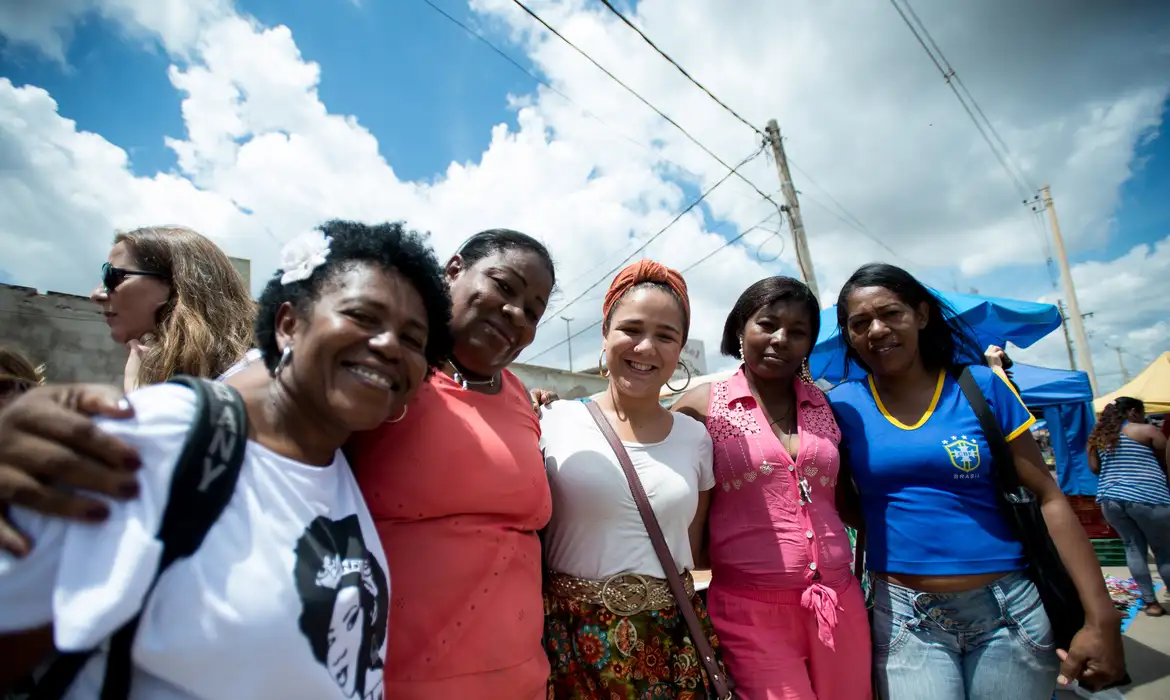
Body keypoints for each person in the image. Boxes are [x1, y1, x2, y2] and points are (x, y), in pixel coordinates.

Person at [0, 228, 558, 700]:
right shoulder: (161, 440)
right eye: (363, 316)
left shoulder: (336, 478)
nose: (389, 346)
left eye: (414, 340)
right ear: (287, 323)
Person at [829, 263, 1124, 700]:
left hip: (1010, 614)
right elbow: (843, 503)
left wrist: (1102, 619)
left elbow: (1048, 497)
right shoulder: (842, 407)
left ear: (923, 315)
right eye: (859, 323)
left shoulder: (980, 386)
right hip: (906, 621)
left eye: (891, 313)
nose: (876, 329)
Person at [672, 276, 872, 700]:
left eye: (798, 332)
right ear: (741, 327)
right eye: (767, 324)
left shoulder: (828, 406)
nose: (781, 339)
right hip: (749, 610)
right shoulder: (700, 407)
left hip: (840, 603)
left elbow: (845, 501)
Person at [540, 260, 728, 698]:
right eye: (631, 329)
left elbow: (696, 548)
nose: (646, 347)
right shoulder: (551, 420)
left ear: (681, 348)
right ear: (604, 335)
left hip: (672, 641)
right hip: (570, 643)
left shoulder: (695, 437)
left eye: (665, 336)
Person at [91, 226, 255, 392]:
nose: (96, 294)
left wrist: (140, 400)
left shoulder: (248, 379)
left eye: (112, 276)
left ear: (177, 284)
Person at [1087, 397, 1170, 617]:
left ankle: (1151, 603)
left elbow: (1095, 468)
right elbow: (1166, 465)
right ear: (1133, 411)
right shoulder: (1148, 431)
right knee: (1164, 551)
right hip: (1148, 496)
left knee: (1132, 548)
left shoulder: (1098, 437)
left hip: (1110, 499)